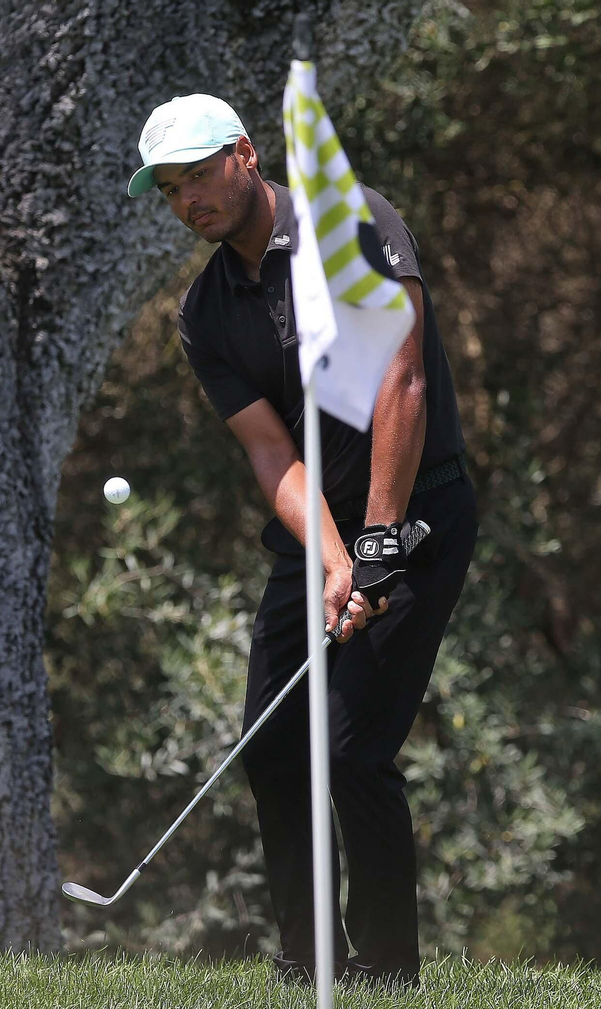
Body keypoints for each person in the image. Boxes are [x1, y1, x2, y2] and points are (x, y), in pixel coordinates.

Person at [127, 93, 476, 988]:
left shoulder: (349, 224)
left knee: (352, 746)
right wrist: (332, 556)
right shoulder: (206, 312)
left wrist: (381, 542)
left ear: (246, 155)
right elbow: (271, 450)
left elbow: (402, 381)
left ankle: (388, 968)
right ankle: (307, 960)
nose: (187, 202)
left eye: (198, 176)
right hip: (320, 529)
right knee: (274, 742)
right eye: (169, 190)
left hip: (418, 510)